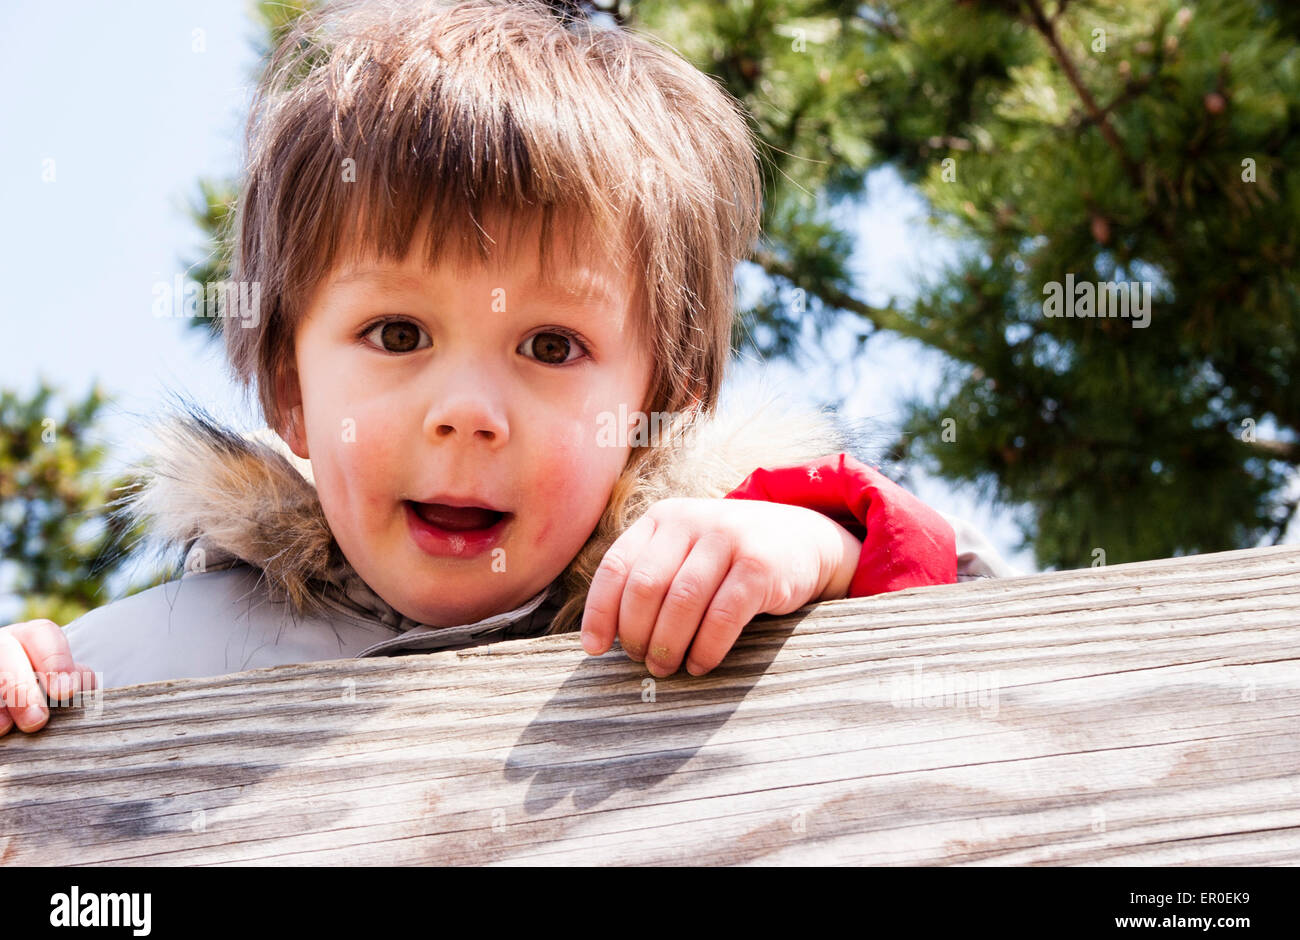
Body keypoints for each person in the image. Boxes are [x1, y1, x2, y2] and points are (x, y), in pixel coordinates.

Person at [0, 0, 1014, 733]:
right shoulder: (142, 660)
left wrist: (824, 545)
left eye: (550, 346)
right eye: (397, 334)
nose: (468, 413)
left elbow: (1003, 670)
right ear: (289, 390)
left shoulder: (737, 607)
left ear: (656, 406)